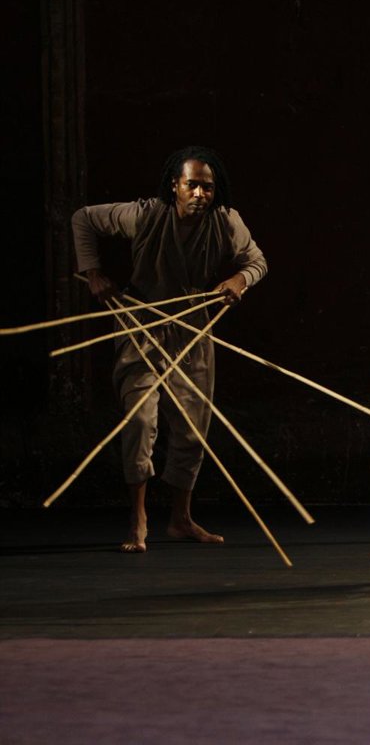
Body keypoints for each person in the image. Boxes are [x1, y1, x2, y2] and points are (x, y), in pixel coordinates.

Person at [71, 145, 267, 553]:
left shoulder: (226, 221)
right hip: (141, 322)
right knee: (140, 420)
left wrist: (239, 281)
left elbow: (257, 261)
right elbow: (83, 219)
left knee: (193, 425)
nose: (200, 194)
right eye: (192, 185)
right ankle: (138, 518)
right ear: (174, 185)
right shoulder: (145, 214)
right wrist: (93, 274)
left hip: (192, 327)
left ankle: (180, 519)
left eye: (207, 187)